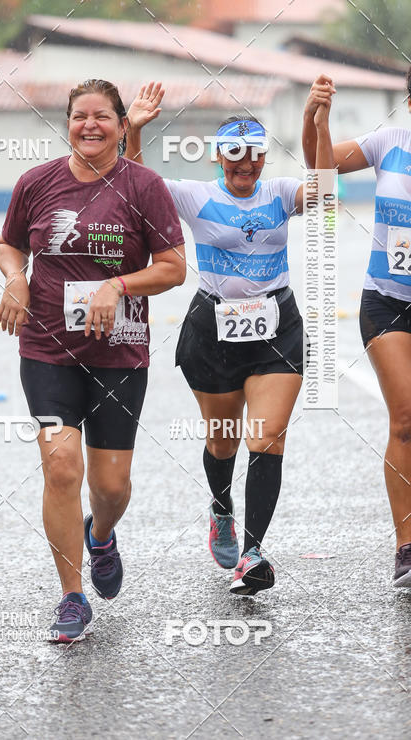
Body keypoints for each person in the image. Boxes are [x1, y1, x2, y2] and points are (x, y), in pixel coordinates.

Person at [126, 81, 334, 595]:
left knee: (266, 436)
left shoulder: (281, 193)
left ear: (264, 158)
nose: (245, 166)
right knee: (224, 440)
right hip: (212, 331)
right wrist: (133, 130)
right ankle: (222, 509)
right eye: (234, 157)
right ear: (220, 158)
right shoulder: (196, 195)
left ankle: (254, 552)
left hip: (276, 327)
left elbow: (327, 189)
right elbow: (134, 189)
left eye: (254, 157)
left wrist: (318, 121)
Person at [0, 79, 185, 642]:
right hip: (47, 349)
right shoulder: (36, 183)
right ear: (68, 122)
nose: (90, 126)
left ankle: (100, 534)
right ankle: (71, 597)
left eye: (102, 116)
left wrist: (118, 284)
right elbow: (11, 244)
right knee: (60, 467)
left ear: (122, 125)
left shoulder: (143, 186)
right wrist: (15, 280)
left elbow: (173, 267)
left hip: (118, 355)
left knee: (111, 485)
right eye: (80, 116)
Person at [303, 70, 411, 588]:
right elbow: (322, 177)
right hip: (388, 301)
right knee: (407, 417)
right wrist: (319, 120)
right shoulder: (390, 142)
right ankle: (407, 546)